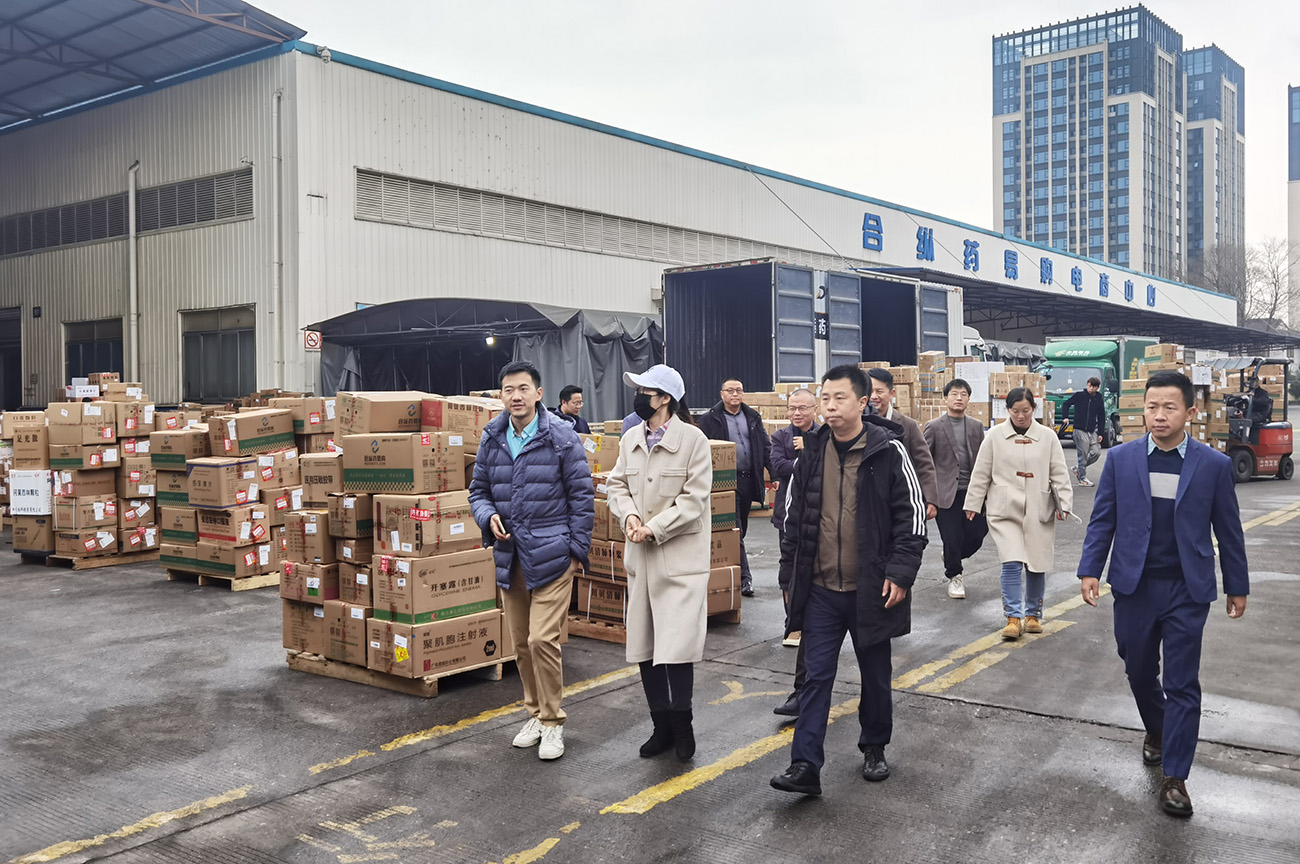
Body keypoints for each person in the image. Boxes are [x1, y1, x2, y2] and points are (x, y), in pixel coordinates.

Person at [1077, 370, 1249, 818]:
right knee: (1136, 668)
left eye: (1169, 407)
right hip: (1134, 585)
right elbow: (1103, 519)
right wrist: (1090, 569)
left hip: (1187, 589)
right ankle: (1158, 727)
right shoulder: (1121, 459)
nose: (1158, 415)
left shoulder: (1213, 465)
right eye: (1151, 407)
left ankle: (1176, 777)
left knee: (1182, 682)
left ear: (1189, 412)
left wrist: (1237, 585)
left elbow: (1229, 531)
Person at [769, 365, 926, 796]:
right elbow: (793, 520)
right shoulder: (811, 453)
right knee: (816, 676)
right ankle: (805, 764)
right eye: (825, 398)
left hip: (871, 589)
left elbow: (912, 518)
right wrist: (789, 577)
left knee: (875, 675)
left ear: (862, 402)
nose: (830, 406)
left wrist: (900, 573)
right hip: (821, 589)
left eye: (840, 398)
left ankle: (874, 746)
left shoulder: (888, 451)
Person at [469, 361, 594, 761]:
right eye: (509, 390)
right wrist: (488, 516)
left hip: (553, 554)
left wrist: (576, 552)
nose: (516, 396)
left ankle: (554, 722)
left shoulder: (561, 436)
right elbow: (478, 490)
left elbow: (582, 496)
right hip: (510, 555)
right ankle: (536, 714)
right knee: (521, 643)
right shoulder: (493, 437)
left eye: (523, 388)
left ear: (539, 394)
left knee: (542, 639)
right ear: (500, 396)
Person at [605, 364, 711, 762]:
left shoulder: (694, 440)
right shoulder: (631, 438)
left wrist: (655, 527)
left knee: (677, 649)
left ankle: (683, 727)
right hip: (641, 561)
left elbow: (694, 499)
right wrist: (630, 516)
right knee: (645, 648)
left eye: (645, 391)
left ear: (665, 398)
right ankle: (660, 726)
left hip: (679, 563)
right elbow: (616, 485)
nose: (638, 397)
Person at [963, 387, 1072, 641]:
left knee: (1036, 563)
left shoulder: (1048, 437)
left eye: (1025, 410)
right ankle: (1013, 617)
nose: (1021, 416)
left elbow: (1059, 472)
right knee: (1011, 561)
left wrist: (1064, 504)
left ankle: (1033, 615)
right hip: (1004, 509)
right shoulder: (994, 436)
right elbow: (981, 472)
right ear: (1007, 410)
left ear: (1034, 409)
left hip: (1038, 507)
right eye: (1015, 411)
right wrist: (973, 503)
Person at [697, 378, 771, 597]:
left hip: (749, 479)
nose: (735, 394)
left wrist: (774, 473)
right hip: (726, 482)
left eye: (739, 390)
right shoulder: (710, 419)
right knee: (735, 528)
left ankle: (734, 564)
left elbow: (765, 446)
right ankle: (745, 579)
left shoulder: (752, 417)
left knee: (741, 528)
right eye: (730, 390)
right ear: (722, 394)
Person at [923, 378, 988, 600]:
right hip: (945, 493)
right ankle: (955, 576)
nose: (959, 398)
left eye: (963, 394)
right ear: (945, 398)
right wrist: (928, 497)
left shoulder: (976, 426)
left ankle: (952, 555)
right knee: (952, 536)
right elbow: (925, 462)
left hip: (972, 492)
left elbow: (982, 459)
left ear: (969, 399)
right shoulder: (934, 426)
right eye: (954, 394)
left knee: (977, 534)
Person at [771, 388, 819, 657]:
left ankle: (814, 623)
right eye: (792, 408)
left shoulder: (825, 435)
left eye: (802, 408)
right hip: (788, 514)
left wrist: (809, 449)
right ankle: (792, 623)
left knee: (816, 569)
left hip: (820, 513)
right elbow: (778, 466)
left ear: (815, 409)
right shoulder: (780, 437)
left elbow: (830, 465)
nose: (796, 413)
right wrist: (805, 459)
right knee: (789, 568)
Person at [865, 368, 939, 521]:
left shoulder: (907, 425)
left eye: (879, 391)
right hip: (868, 500)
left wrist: (930, 499)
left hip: (901, 499)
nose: (874, 396)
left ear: (892, 394)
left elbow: (924, 464)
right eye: (870, 391)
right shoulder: (858, 424)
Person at [1061, 376, 1105, 486]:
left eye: (1093, 387)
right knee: (1083, 455)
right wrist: (1065, 417)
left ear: (1097, 388)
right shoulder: (1079, 396)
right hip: (1079, 429)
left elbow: (1101, 416)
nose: (1091, 388)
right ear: (1087, 385)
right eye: (1090, 386)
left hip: (1092, 430)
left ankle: (1078, 468)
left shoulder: (1098, 398)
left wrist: (1100, 432)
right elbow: (1066, 404)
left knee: (1096, 452)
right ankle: (1082, 478)